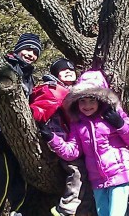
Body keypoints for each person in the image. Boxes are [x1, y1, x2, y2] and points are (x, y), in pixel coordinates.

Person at [40, 70, 129, 216]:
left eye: (92, 100)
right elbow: (72, 152)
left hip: (119, 173)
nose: (87, 105)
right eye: (82, 100)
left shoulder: (112, 115)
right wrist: (52, 138)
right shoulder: (78, 124)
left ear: (100, 99)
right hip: (97, 180)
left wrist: (120, 124)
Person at [0, 33, 42, 216]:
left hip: (20, 139)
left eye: (35, 52)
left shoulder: (29, 76)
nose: (31, 54)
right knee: (2, 180)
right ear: (18, 49)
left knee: (20, 180)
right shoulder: (7, 67)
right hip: (0, 135)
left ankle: (17, 211)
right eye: (27, 49)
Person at [30, 58, 95, 216]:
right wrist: (40, 122)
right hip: (58, 140)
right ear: (54, 74)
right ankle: (65, 210)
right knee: (78, 171)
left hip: (71, 142)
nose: (68, 71)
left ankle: (82, 211)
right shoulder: (51, 89)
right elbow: (38, 108)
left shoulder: (78, 95)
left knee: (84, 175)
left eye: (71, 70)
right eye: (62, 69)